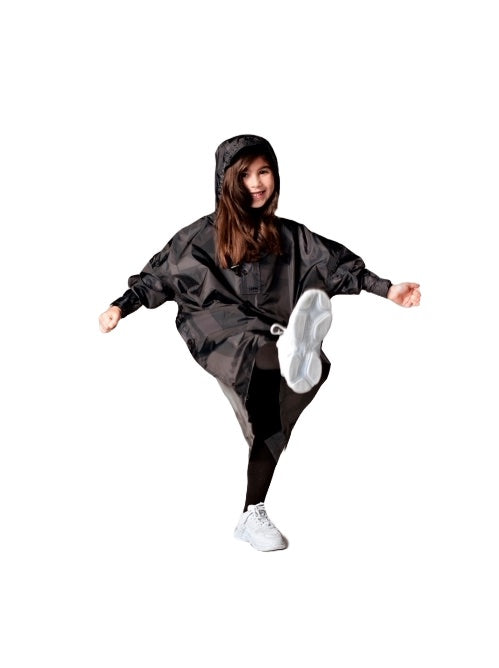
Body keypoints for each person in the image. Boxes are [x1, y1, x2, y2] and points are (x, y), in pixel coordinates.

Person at [99, 134, 420, 552]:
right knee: (263, 353)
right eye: (245, 174)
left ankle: (253, 511)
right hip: (218, 327)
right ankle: (289, 354)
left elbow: (337, 265)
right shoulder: (198, 237)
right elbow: (158, 277)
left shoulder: (288, 236)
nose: (256, 183)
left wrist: (387, 289)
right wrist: (120, 307)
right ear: (226, 180)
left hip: (272, 333)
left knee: (271, 423)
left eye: (264, 171)